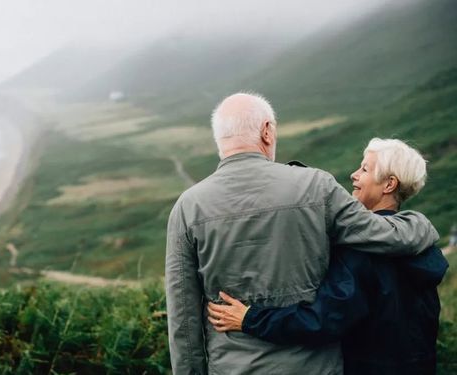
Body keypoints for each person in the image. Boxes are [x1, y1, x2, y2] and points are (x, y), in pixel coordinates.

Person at [165, 93, 439, 375]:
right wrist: (421, 225)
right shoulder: (317, 187)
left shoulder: (187, 207)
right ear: (267, 131)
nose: (356, 175)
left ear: (219, 139)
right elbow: (385, 235)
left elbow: (182, 318)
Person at [207, 138, 448, 374]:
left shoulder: (362, 251)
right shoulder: (422, 247)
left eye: (364, 169)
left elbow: (323, 320)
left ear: (389, 185)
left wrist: (250, 319)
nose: (354, 175)